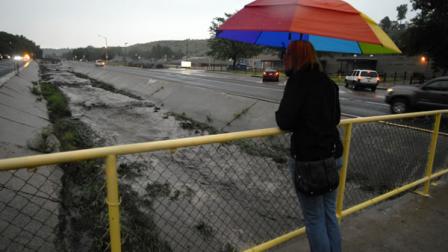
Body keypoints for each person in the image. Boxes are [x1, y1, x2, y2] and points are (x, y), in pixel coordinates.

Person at [275, 40, 343, 252]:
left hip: (309, 161)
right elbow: (336, 118)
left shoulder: (297, 82)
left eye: (287, 55)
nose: (284, 58)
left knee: (314, 218)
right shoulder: (329, 83)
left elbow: (284, 121)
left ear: (295, 58)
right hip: (332, 155)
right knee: (329, 213)